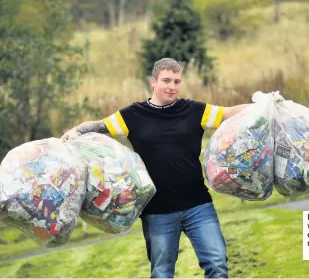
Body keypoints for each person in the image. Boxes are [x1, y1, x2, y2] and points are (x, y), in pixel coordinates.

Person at [61, 58, 251, 278]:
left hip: (199, 205)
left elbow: (229, 113)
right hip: (157, 212)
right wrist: (74, 132)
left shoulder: (195, 110)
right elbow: (99, 126)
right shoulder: (132, 115)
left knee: (217, 265)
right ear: (154, 81)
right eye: (166, 80)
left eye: (177, 81)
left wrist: (265, 105)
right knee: (161, 273)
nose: (172, 86)